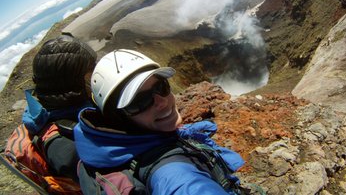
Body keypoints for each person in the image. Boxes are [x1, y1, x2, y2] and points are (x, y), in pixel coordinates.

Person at [74, 49, 245, 195]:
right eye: (140, 101)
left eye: (161, 87)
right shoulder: (173, 176)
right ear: (118, 118)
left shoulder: (121, 149)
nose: (162, 102)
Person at [22, 33, 97, 181]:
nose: (96, 78)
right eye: (90, 73)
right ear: (71, 82)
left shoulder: (55, 109)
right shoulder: (64, 144)